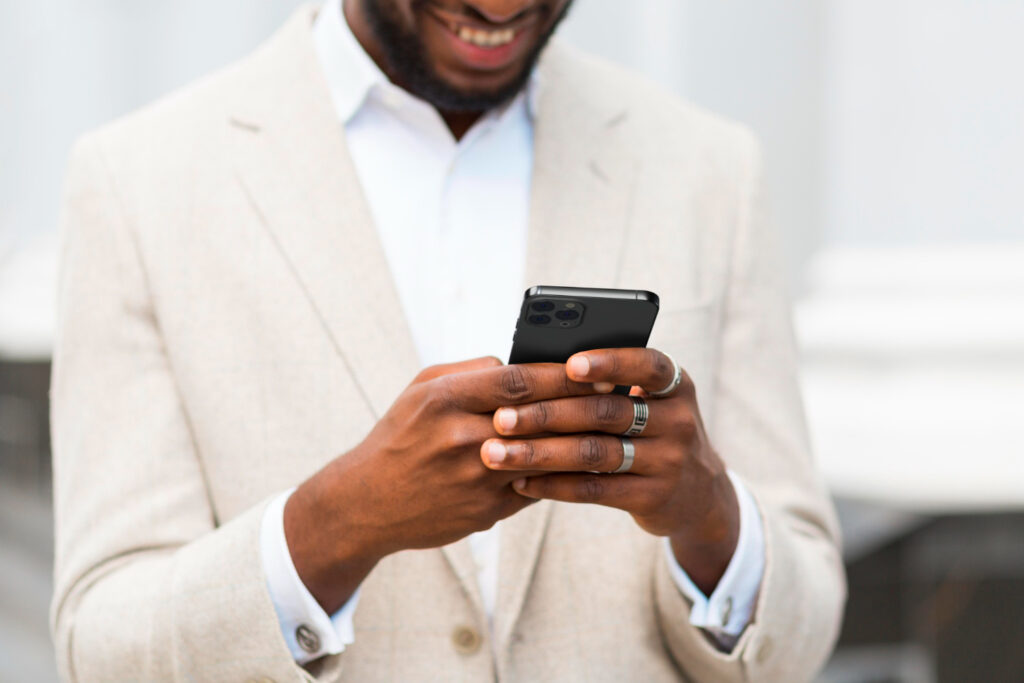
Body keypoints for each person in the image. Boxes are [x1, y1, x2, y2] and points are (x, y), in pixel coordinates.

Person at [49, 1, 845, 681]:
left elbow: (805, 625)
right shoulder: (137, 182)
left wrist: (710, 516)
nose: (499, 9)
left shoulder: (710, 169)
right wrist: (337, 523)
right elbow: (103, 642)